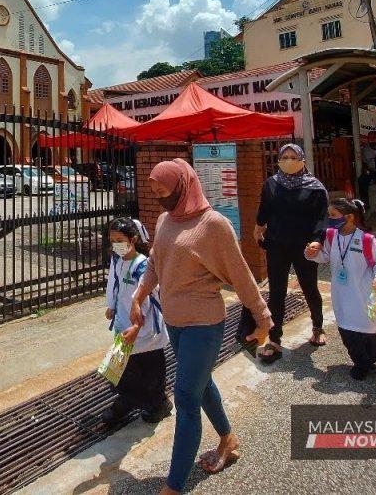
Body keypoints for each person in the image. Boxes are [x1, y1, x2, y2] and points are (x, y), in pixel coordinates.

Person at [130, 159, 270, 494]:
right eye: (154, 191)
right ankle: (228, 438)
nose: (159, 196)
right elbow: (154, 264)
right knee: (202, 385)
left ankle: (174, 485)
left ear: (183, 185)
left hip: (205, 325)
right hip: (175, 324)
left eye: (164, 190)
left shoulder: (213, 225)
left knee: (185, 396)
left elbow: (241, 275)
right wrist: (138, 296)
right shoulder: (165, 219)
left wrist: (263, 319)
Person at [250, 144, 329, 363]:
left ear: (302, 160)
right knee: (276, 292)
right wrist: (258, 228)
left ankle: (317, 327)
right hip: (277, 245)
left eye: (293, 157)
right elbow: (264, 210)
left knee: (310, 288)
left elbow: (321, 218)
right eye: (284, 157)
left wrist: (317, 240)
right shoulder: (272, 184)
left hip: (304, 247)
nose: (288, 160)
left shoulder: (315, 188)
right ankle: (274, 339)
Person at [305, 198, 376, 380]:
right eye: (329, 215)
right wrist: (312, 254)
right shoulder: (331, 236)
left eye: (333, 215)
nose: (330, 219)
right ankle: (360, 363)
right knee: (347, 330)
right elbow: (325, 257)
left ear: (350, 217)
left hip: (365, 294)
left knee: (371, 327)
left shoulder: (366, 240)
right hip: (342, 295)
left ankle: (375, 353)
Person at [102, 217, 172, 425]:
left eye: (120, 240)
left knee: (147, 373)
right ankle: (133, 402)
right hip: (124, 326)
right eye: (112, 240)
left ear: (132, 240)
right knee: (117, 371)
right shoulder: (117, 260)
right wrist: (112, 305)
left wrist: (136, 326)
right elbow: (113, 283)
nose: (116, 245)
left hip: (144, 331)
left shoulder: (142, 266)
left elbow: (149, 300)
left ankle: (154, 405)